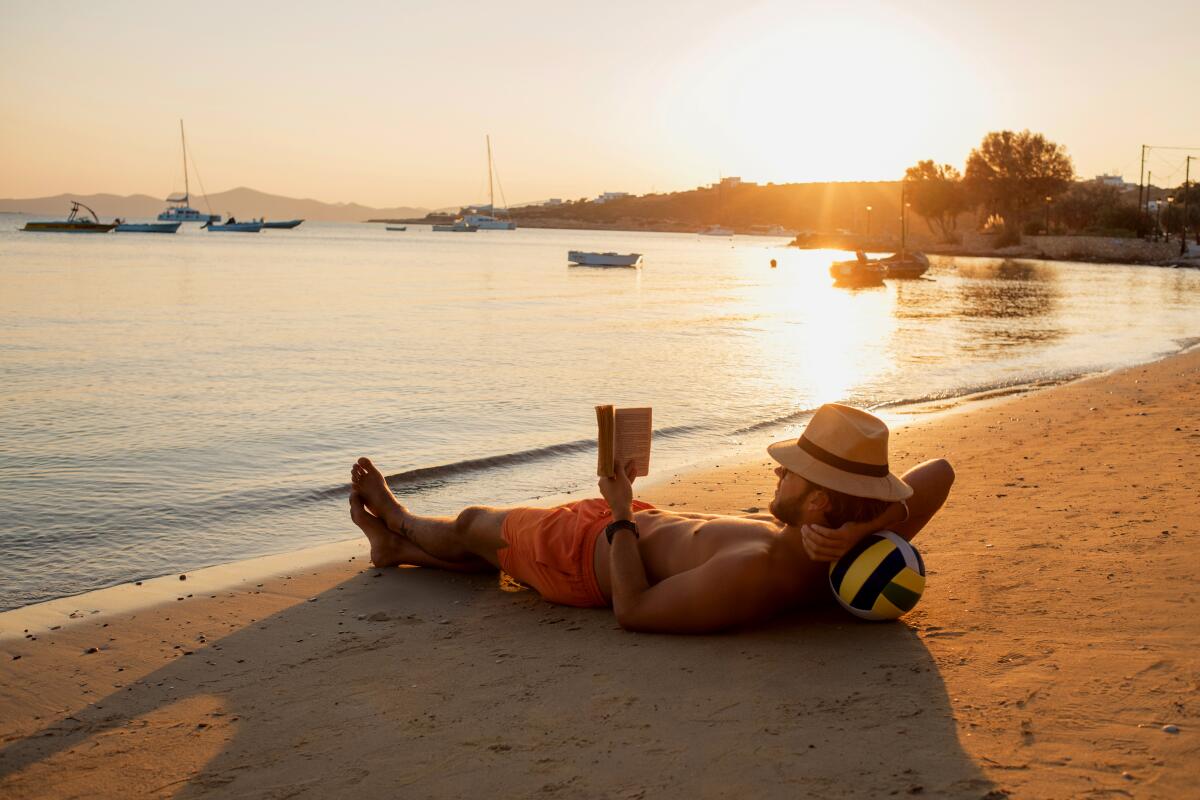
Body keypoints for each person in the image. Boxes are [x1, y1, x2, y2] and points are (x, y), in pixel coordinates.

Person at [349, 404, 954, 634]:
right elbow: (943, 471)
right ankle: (397, 554)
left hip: (586, 553)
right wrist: (866, 527)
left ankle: (400, 520)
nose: (777, 475)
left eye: (790, 473)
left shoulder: (756, 569)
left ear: (821, 499)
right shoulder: (850, 544)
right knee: (486, 556)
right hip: (634, 523)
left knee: (475, 523)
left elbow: (633, 612)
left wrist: (617, 515)